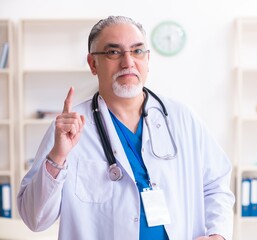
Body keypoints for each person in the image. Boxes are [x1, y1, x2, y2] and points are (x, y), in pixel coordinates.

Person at [17, 16, 235, 240]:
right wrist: (58, 156)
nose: (128, 62)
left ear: (148, 59)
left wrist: (218, 234)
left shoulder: (182, 118)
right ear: (93, 64)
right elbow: (35, 219)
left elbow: (216, 185)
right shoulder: (69, 128)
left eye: (137, 51)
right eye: (114, 52)